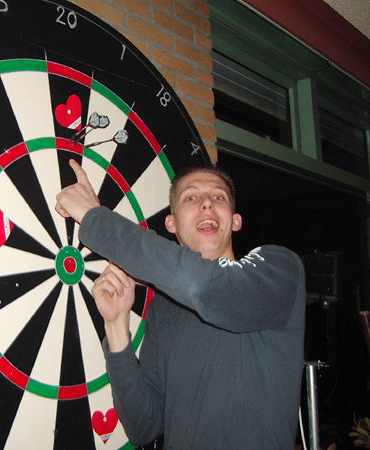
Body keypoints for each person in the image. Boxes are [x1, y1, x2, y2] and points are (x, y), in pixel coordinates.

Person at [55, 159, 306, 449]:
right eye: (191, 198)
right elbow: (143, 427)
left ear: (235, 220)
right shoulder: (163, 307)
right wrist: (116, 326)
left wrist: (94, 217)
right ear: (171, 223)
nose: (207, 203)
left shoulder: (277, 268)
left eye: (218, 197)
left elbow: (202, 285)